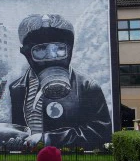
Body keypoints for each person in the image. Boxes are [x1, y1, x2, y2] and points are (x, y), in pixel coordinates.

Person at [9, 14, 112, 148]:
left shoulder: (87, 86)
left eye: (59, 49)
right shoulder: (17, 88)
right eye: (40, 49)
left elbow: (101, 131)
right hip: (29, 157)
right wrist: (16, 140)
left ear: (70, 49)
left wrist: (48, 139)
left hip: (64, 157)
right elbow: (18, 129)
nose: (51, 57)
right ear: (26, 53)